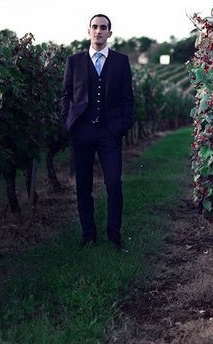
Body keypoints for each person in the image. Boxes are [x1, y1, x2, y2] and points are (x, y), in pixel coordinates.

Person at [62, 14, 134, 250]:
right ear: (88, 31)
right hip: (81, 132)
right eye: (94, 27)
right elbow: (66, 96)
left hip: (109, 132)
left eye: (103, 28)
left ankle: (114, 236)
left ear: (110, 33)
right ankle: (88, 236)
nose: (98, 31)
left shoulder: (121, 61)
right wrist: (69, 124)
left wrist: (121, 126)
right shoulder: (74, 61)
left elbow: (127, 98)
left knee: (114, 183)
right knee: (83, 186)